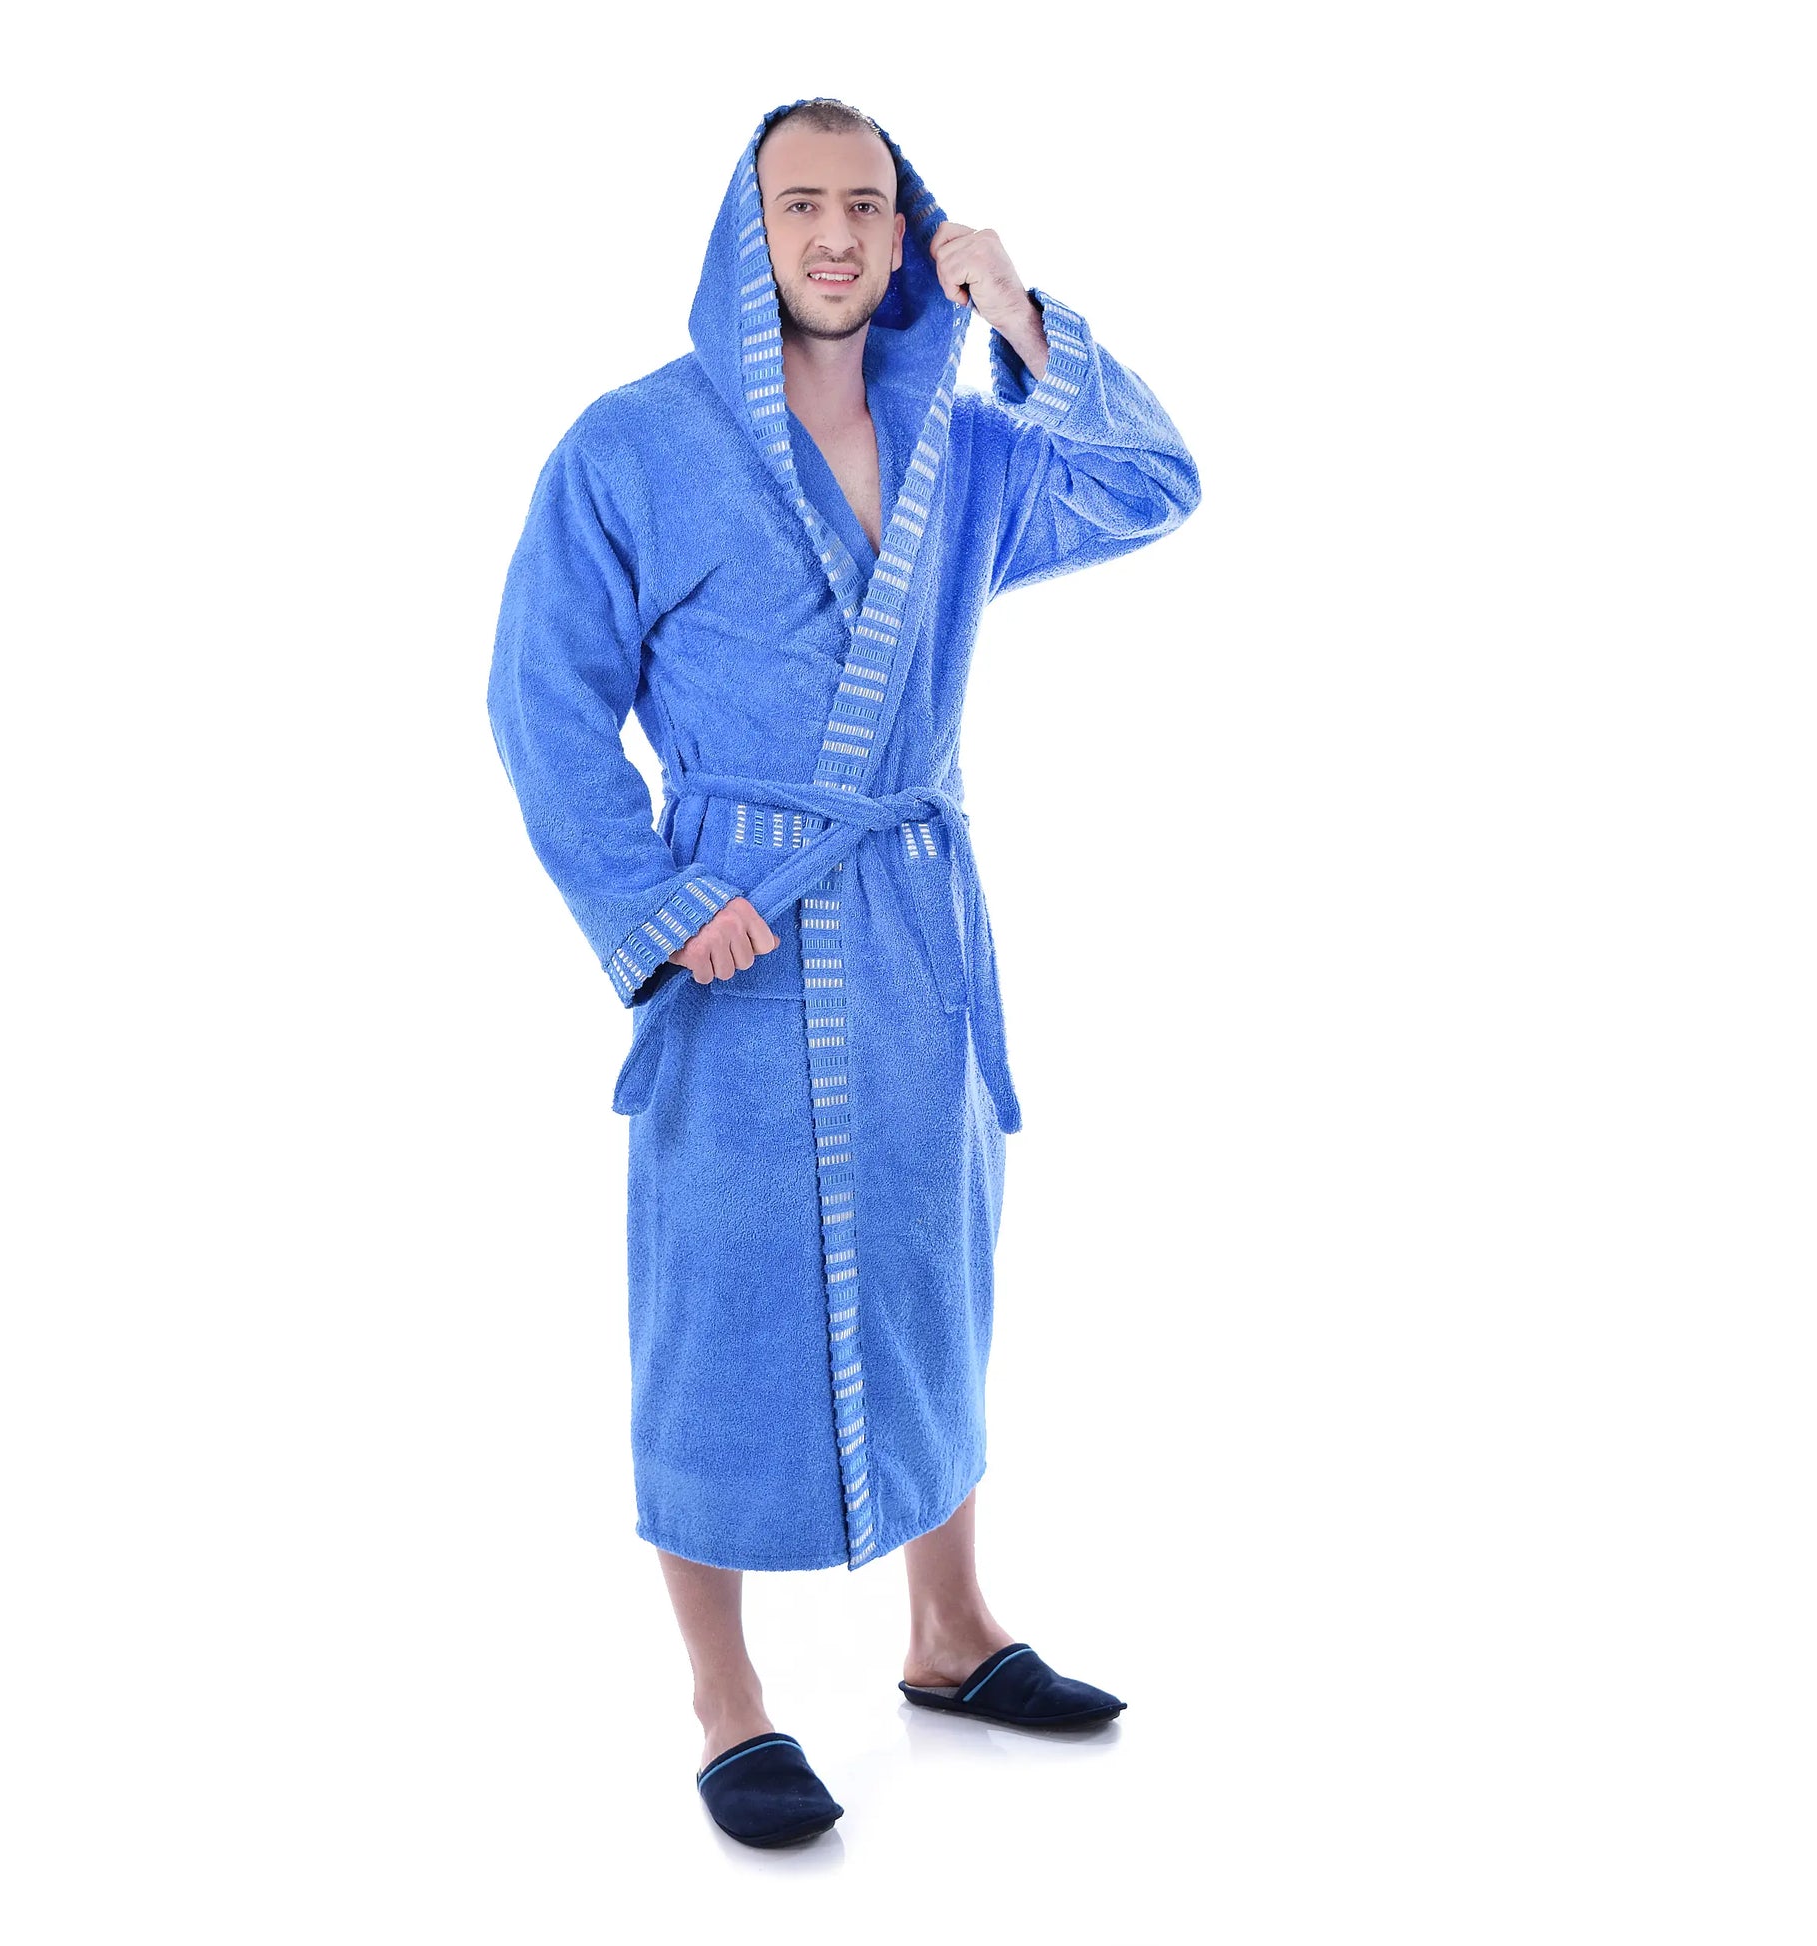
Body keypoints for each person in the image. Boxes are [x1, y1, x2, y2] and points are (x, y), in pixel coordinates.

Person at [486, 96, 1201, 1846]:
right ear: (747, 233)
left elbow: (1152, 483)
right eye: (797, 203)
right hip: (737, 930)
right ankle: (725, 1696)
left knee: (929, 1260)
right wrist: (657, 902)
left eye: (866, 207)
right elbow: (540, 696)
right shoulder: (631, 446)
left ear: (906, 235)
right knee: (716, 1293)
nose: (832, 233)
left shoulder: (962, 444)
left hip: (907, 917)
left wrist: (1019, 315)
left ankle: (950, 1630)